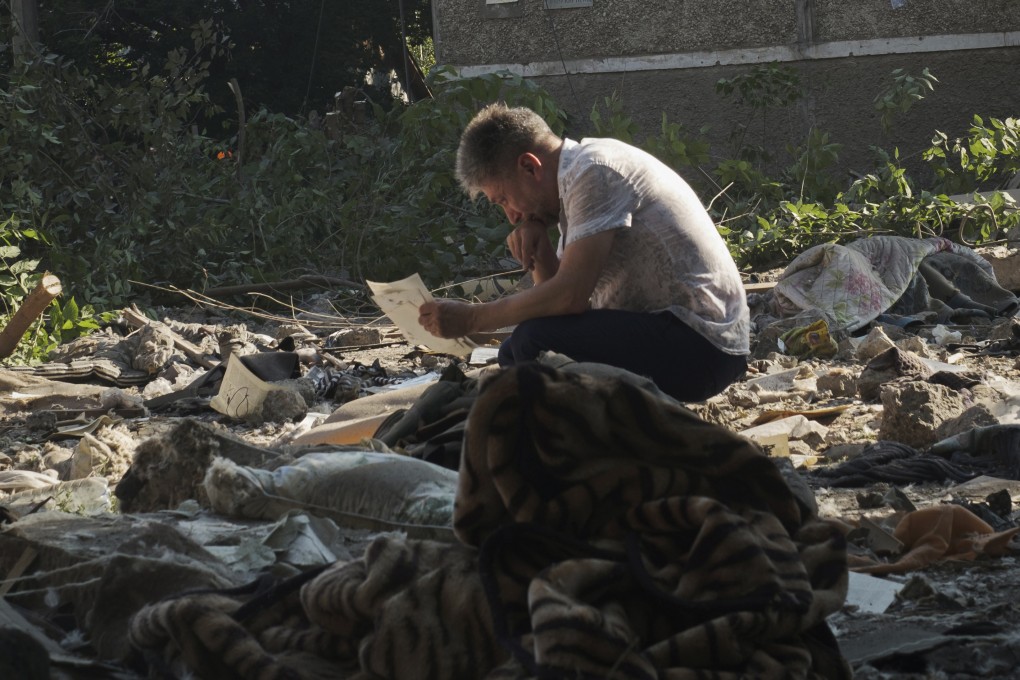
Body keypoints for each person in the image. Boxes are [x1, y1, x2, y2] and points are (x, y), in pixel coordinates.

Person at [418, 103, 749, 402]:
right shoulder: (573, 184)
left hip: (704, 346)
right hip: (682, 340)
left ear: (530, 167)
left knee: (531, 344)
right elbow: (566, 311)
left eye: (504, 199)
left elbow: (569, 298)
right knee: (515, 352)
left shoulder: (594, 172)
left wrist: (472, 318)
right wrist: (541, 246)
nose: (511, 217)